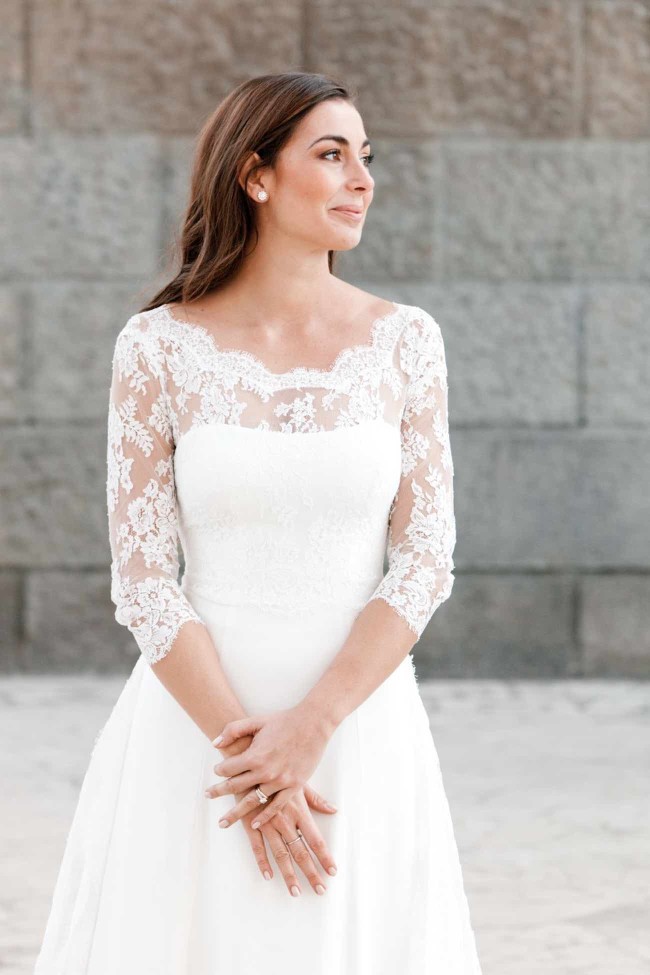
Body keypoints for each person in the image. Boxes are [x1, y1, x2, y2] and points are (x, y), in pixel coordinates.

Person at [34, 71, 482, 974]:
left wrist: (313, 725)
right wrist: (251, 761)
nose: (361, 177)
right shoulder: (157, 346)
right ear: (255, 176)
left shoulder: (407, 341)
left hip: (359, 725)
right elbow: (143, 578)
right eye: (331, 153)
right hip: (195, 732)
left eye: (367, 156)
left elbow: (427, 555)